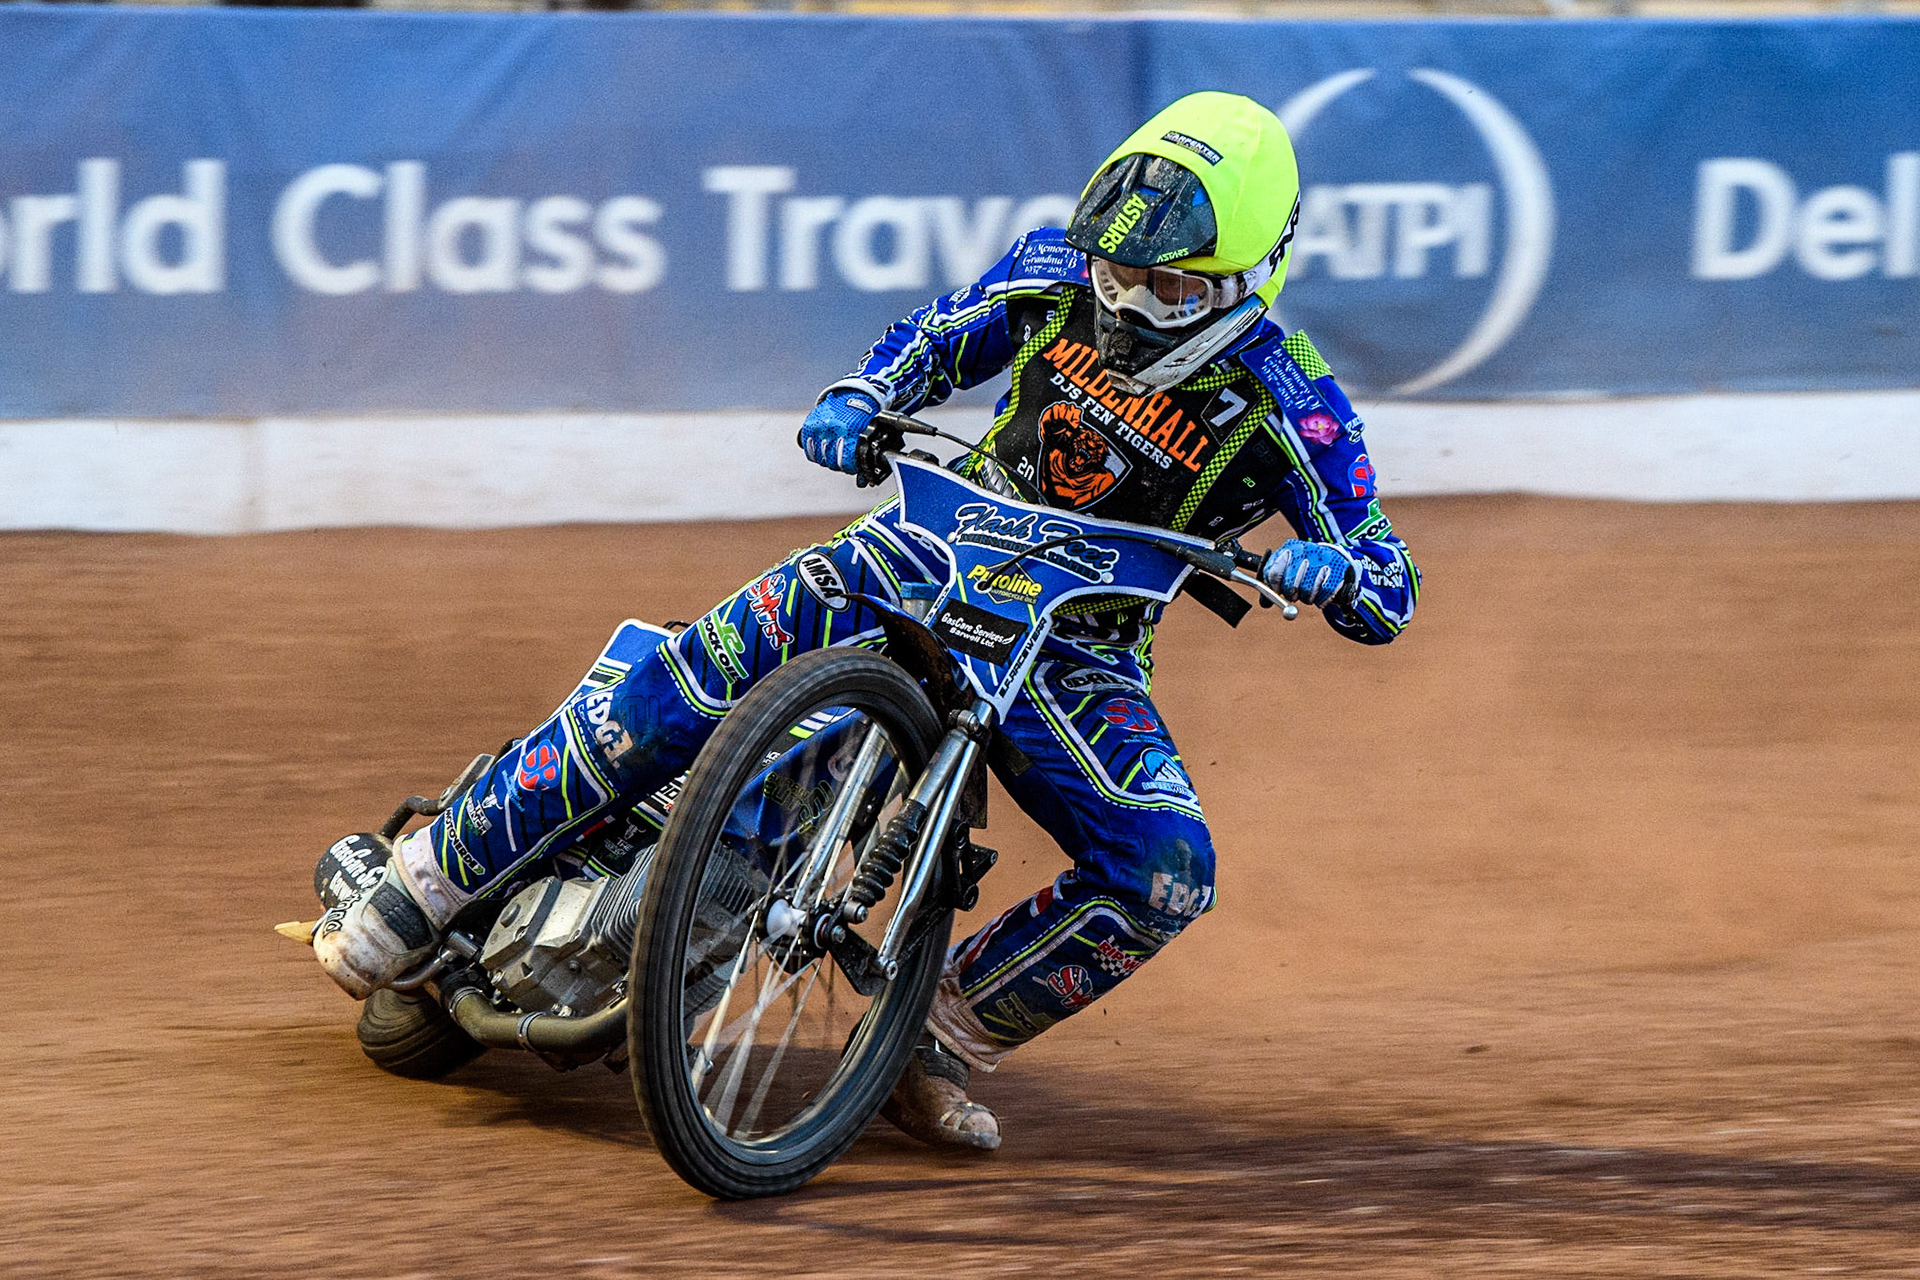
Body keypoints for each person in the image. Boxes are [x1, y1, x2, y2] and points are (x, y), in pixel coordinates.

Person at [313, 91, 1419, 1151]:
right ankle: (432, 878)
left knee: (1169, 866)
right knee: (692, 672)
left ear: (1254, 277)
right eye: (1118, 269)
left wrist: (1337, 572)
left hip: (1075, 651)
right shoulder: (1049, 271)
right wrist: (861, 396)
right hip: (924, 550)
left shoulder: (1294, 401)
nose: (1129, 302)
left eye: (1169, 288)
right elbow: (932, 340)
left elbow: (1391, 577)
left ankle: (931, 1037)